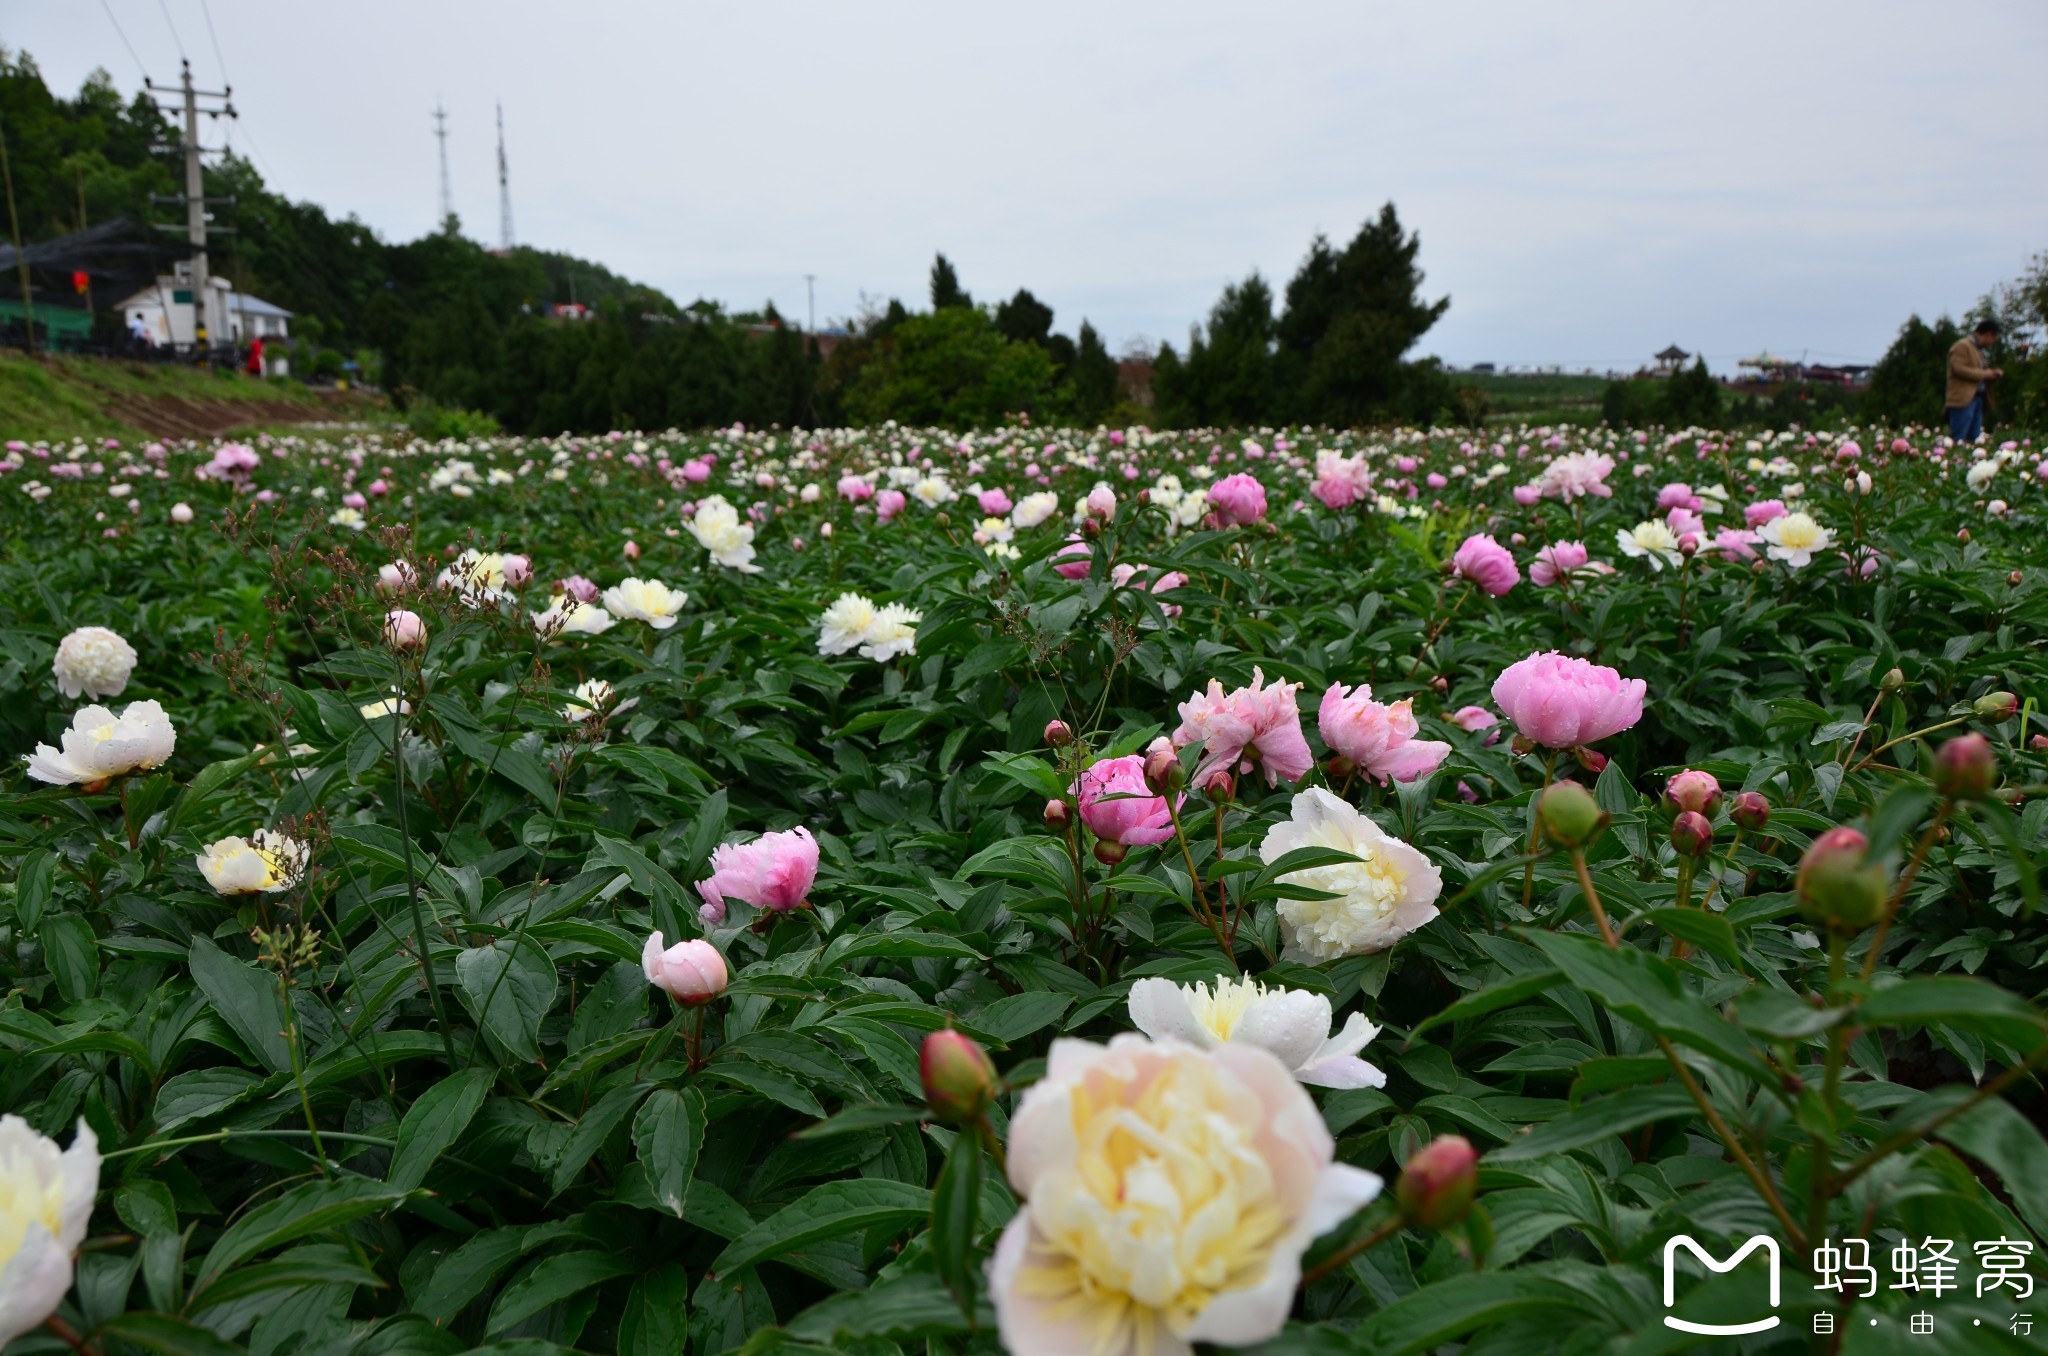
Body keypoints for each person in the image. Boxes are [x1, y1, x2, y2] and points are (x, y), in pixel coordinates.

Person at [1945, 319, 2003, 442]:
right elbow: (1958, 368)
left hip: (1977, 398)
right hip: (1962, 400)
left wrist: (1992, 374)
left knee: (1973, 440)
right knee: (1959, 438)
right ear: (1988, 334)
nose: (1992, 342)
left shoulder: (1978, 350)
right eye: (1993, 338)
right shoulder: (1962, 346)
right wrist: (1985, 374)